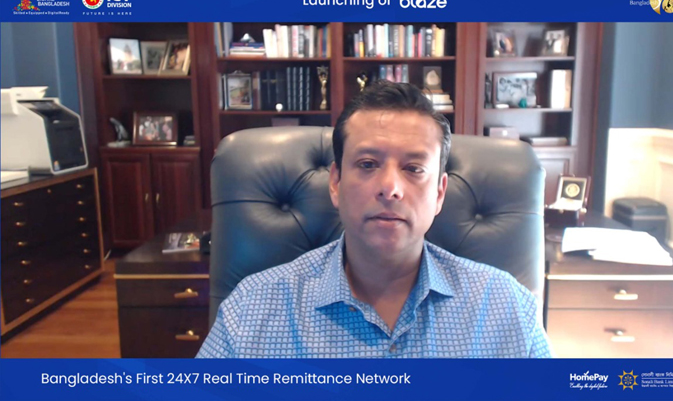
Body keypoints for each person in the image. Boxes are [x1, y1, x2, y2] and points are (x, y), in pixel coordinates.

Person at [196, 81, 552, 358]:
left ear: (440, 193)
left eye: (414, 169)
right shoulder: (252, 310)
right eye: (367, 164)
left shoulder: (507, 308)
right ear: (335, 183)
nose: (390, 188)